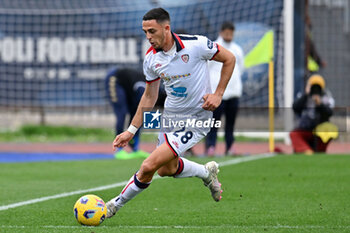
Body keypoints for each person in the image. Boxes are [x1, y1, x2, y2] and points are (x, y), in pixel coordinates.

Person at [106, 7, 235, 218]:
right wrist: (131, 130)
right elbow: (149, 97)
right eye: (145, 32)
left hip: (197, 120)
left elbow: (229, 59)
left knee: (148, 165)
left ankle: (112, 206)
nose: (148, 37)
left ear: (166, 28)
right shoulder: (151, 59)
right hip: (171, 117)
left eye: (152, 31)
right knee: (166, 170)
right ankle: (206, 173)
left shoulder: (197, 45)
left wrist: (218, 94)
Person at [206, 21, 244, 156]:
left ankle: (229, 146)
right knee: (213, 123)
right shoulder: (212, 47)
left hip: (233, 92)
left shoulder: (238, 50)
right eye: (226, 32)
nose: (229, 35)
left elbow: (241, 68)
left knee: (230, 123)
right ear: (221, 32)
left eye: (231, 33)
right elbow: (207, 69)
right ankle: (210, 146)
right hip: (216, 93)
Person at [105, 67, 149, 159]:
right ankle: (119, 150)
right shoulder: (143, 88)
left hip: (129, 88)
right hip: (115, 79)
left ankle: (135, 149)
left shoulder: (157, 92)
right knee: (122, 113)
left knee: (138, 115)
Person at [289, 74, 334, 155]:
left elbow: (329, 113)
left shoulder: (326, 98)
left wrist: (320, 104)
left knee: (331, 130)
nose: (315, 89)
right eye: (313, 86)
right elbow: (295, 107)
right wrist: (306, 95)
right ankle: (306, 151)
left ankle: (320, 151)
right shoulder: (303, 96)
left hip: (319, 130)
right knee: (294, 134)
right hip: (305, 129)